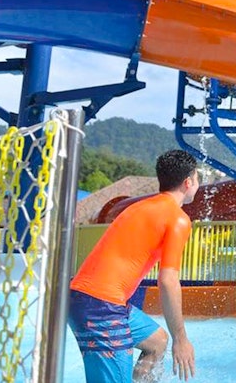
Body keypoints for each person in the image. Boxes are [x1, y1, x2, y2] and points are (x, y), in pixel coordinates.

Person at [68, 149, 199, 383]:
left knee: (156, 342)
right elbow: (168, 281)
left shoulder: (140, 207)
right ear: (188, 182)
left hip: (86, 298)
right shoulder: (177, 219)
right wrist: (181, 339)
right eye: (198, 178)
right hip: (102, 306)